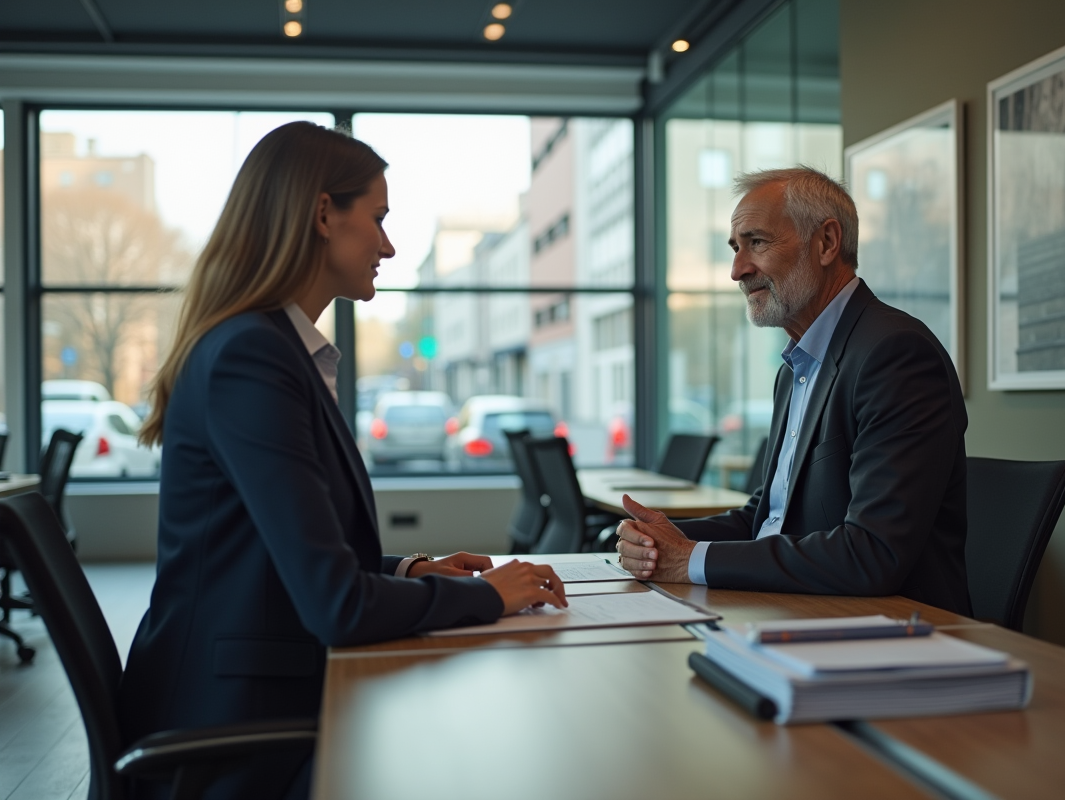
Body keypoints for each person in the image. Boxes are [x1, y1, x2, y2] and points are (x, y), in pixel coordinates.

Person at [119, 121, 567, 799]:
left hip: (267, 687)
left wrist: (410, 569)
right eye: (378, 218)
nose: (388, 244)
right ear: (324, 213)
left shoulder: (273, 349)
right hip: (238, 731)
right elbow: (335, 604)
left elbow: (289, 558)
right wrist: (483, 597)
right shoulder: (253, 357)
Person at [615, 167, 971, 615]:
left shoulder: (895, 353)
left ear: (826, 243)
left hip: (893, 635)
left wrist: (690, 560)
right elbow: (768, 518)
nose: (737, 270)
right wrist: (664, 538)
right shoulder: (798, 365)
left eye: (756, 243)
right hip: (797, 612)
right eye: (735, 248)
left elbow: (872, 553)